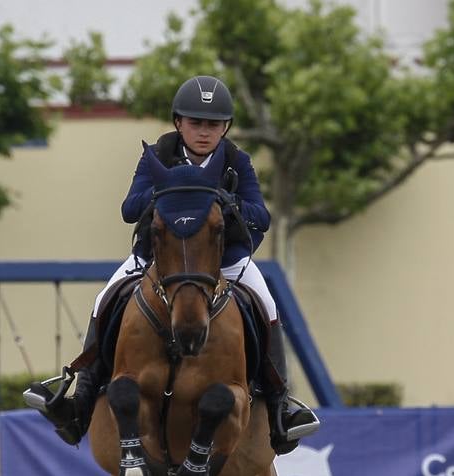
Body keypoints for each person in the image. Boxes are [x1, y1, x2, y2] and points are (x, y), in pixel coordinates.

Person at [33, 74, 318, 454]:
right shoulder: (157, 156)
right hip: (156, 261)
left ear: (225, 128)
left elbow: (260, 216)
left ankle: (281, 404)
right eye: (196, 123)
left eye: (213, 124)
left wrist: (221, 200)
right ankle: (80, 399)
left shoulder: (236, 161)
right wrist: (170, 189)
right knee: (104, 299)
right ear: (178, 123)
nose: (204, 132)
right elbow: (129, 209)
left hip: (223, 263)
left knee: (267, 307)